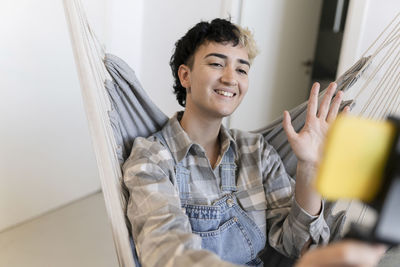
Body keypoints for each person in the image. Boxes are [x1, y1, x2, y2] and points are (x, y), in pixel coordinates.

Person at [122, 18, 375, 266]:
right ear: (185, 76)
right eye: (217, 64)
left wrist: (308, 167)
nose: (231, 79)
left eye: (242, 69)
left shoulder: (256, 151)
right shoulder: (151, 158)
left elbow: (299, 245)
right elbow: (165, 250)